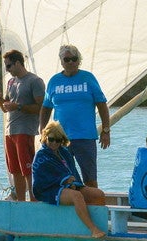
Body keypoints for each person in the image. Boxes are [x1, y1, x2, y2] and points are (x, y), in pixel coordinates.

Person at [38, 44, 111, 191]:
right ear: (61, 61)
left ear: (79, 60)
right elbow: (45, 108)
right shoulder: (54, 81)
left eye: (74, 59)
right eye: (67, 59)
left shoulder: (88, 78)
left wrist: (106, 130)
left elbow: (102, 105)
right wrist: (42, 131)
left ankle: (92, 202)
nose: (71, 62)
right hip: (59, 139)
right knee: (63, 177)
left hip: (85, 137)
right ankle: (71, 202)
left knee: (90, 179)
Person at [31, 121, 108, 238]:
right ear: (45, 137)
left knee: (98, 194)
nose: (54, 143)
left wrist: (72, 183)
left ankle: (100, 225)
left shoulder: (64, 152)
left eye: (58, 140)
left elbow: (71, 171)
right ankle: (93, 229)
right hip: (49, 189)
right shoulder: (41, 156)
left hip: (68, 185)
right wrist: (64, 181)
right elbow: (41, 179)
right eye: (51, 139)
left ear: (62, 140)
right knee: (76, 196)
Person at [0, 49, 45, 201]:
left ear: (18, 63)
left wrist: (19, 106)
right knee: (15, 170)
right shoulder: (11, 82)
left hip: (25, 131)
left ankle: (34, 200)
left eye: (9, 66)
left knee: (27, 169)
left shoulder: (35, 81)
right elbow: (4, 108)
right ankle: (21, 202)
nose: (7, 69)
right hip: (10, 131)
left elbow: (41, 107)